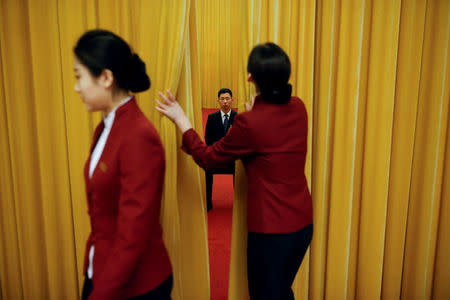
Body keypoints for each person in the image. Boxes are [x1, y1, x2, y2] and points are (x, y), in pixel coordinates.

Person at [156, 42, 313, 299]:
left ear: (250, 77)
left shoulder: (249, 123)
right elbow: (271, 139)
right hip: (303, 225)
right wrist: (254, 114)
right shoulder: (299, 107)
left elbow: (209, 158)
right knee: (282, 292)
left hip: (272, 233)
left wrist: (180, 119)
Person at [73, 29, 172, 300]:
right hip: (103, 268)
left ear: (106, 77)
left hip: (135, 284)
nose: (77, 87)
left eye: (79, 76)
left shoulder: (139, 136)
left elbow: (133, 234)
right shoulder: (107, 127)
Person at [204, 88, 237, 211]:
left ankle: (239, 205)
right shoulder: (212, 117)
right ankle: (208, 203)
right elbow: (208, 139)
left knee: (240, 167)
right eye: (222, 99)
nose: (225, 101)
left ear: (232, 100)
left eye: (227, 98)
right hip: (217, 155)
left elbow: (241, 140)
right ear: (218, 101)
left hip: (233, 156)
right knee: (206, 166)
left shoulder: (237, 117)